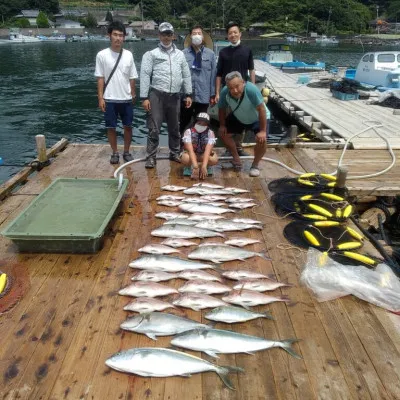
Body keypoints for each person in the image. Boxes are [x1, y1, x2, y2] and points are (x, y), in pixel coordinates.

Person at [140, 22, 192, 169]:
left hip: (175, 96)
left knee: (175, 127)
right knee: (154, 128)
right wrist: (144, 98)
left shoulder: (180, 55)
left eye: (169, 34)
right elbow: (145, 75)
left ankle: (174, 152)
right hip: (157, 95)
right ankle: (151, 156)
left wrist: (188, 94)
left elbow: (186, 75)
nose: (167, 37)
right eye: (164, 34)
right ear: (159, 35)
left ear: (173, 36)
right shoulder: (151, 54)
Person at [95, 20, 138, 164]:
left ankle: (126, 151)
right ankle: (114, 152)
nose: (118, 38)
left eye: (121, 35)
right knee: (111, 127)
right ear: (109, 36)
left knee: (128, 126)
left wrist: (133, 94)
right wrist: (101, 98)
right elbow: (100, 78)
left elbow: (132, 77)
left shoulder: (129, 55)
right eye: (115, 35)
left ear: (124, 37)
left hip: (126, 98)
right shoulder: (102, 55)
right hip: (109, 98)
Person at [215, 21, 255, 157]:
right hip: (227, 92)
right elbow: (219, 74)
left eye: (235, 32)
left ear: (240, 34)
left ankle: (238, 147)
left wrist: (253, 88)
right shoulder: (223, 52)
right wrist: (217, 92)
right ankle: (228, 148)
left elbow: (251, 70)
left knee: (242, 119)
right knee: (226, 120)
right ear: (227, 36)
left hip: (243, 91)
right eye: (230, 33)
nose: (233, 35)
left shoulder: (247, 50)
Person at [218, 71, 267, 177]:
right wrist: (222, 125)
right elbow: (221, 109)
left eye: (237, 86)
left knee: (262, 140)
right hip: (239, 116)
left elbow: (262, 109)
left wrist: (263, 131)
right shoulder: (224, 92)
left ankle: (255, 165)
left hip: (257, 117)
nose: (235, 91)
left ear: (243, 82)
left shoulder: (251, 90)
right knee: (223, 133)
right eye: (231, 88)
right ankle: (236, 158)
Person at [180, 26, 216, 137]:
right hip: (187, 95)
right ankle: (182, 146)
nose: (197, 35)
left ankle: (199, 145)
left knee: (201, 122)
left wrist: (213, 94)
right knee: (184, 121)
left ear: (202, 36)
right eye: (194, 33)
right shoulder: (183, 54)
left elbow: (213, 76)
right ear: (190, 36)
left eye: (199, 33)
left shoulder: (210, 54)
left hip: (203, 94)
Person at [181, 113, 218, 180]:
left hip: (203, 155)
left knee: (214, 159)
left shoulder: (210, 133)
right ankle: (189, 167)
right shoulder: (188, 131)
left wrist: (204, 166)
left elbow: (208, 150)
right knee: (185, 158)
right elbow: (190, 150)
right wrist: (195, 166)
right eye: (199, 123)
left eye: (204, 124)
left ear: (207, 125)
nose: (201, 125)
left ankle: (206, 166)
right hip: (192, 154)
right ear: (195, 122)